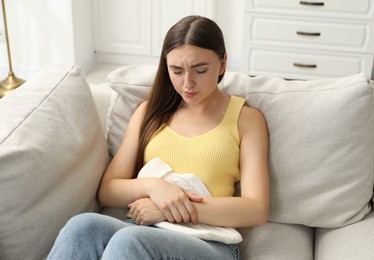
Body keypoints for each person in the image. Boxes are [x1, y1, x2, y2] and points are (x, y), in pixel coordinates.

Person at [48, 15, 269, 259]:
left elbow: (256, 208)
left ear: (223, 63)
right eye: (176, 70)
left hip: (210, 242)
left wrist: (168, 208)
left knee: (130, 240)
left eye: (200, 70)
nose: (188, 83)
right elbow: (108, 190)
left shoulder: (246, 119)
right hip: (144, 230)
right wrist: (155, 187)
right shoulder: (149, 113)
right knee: (83, 226)